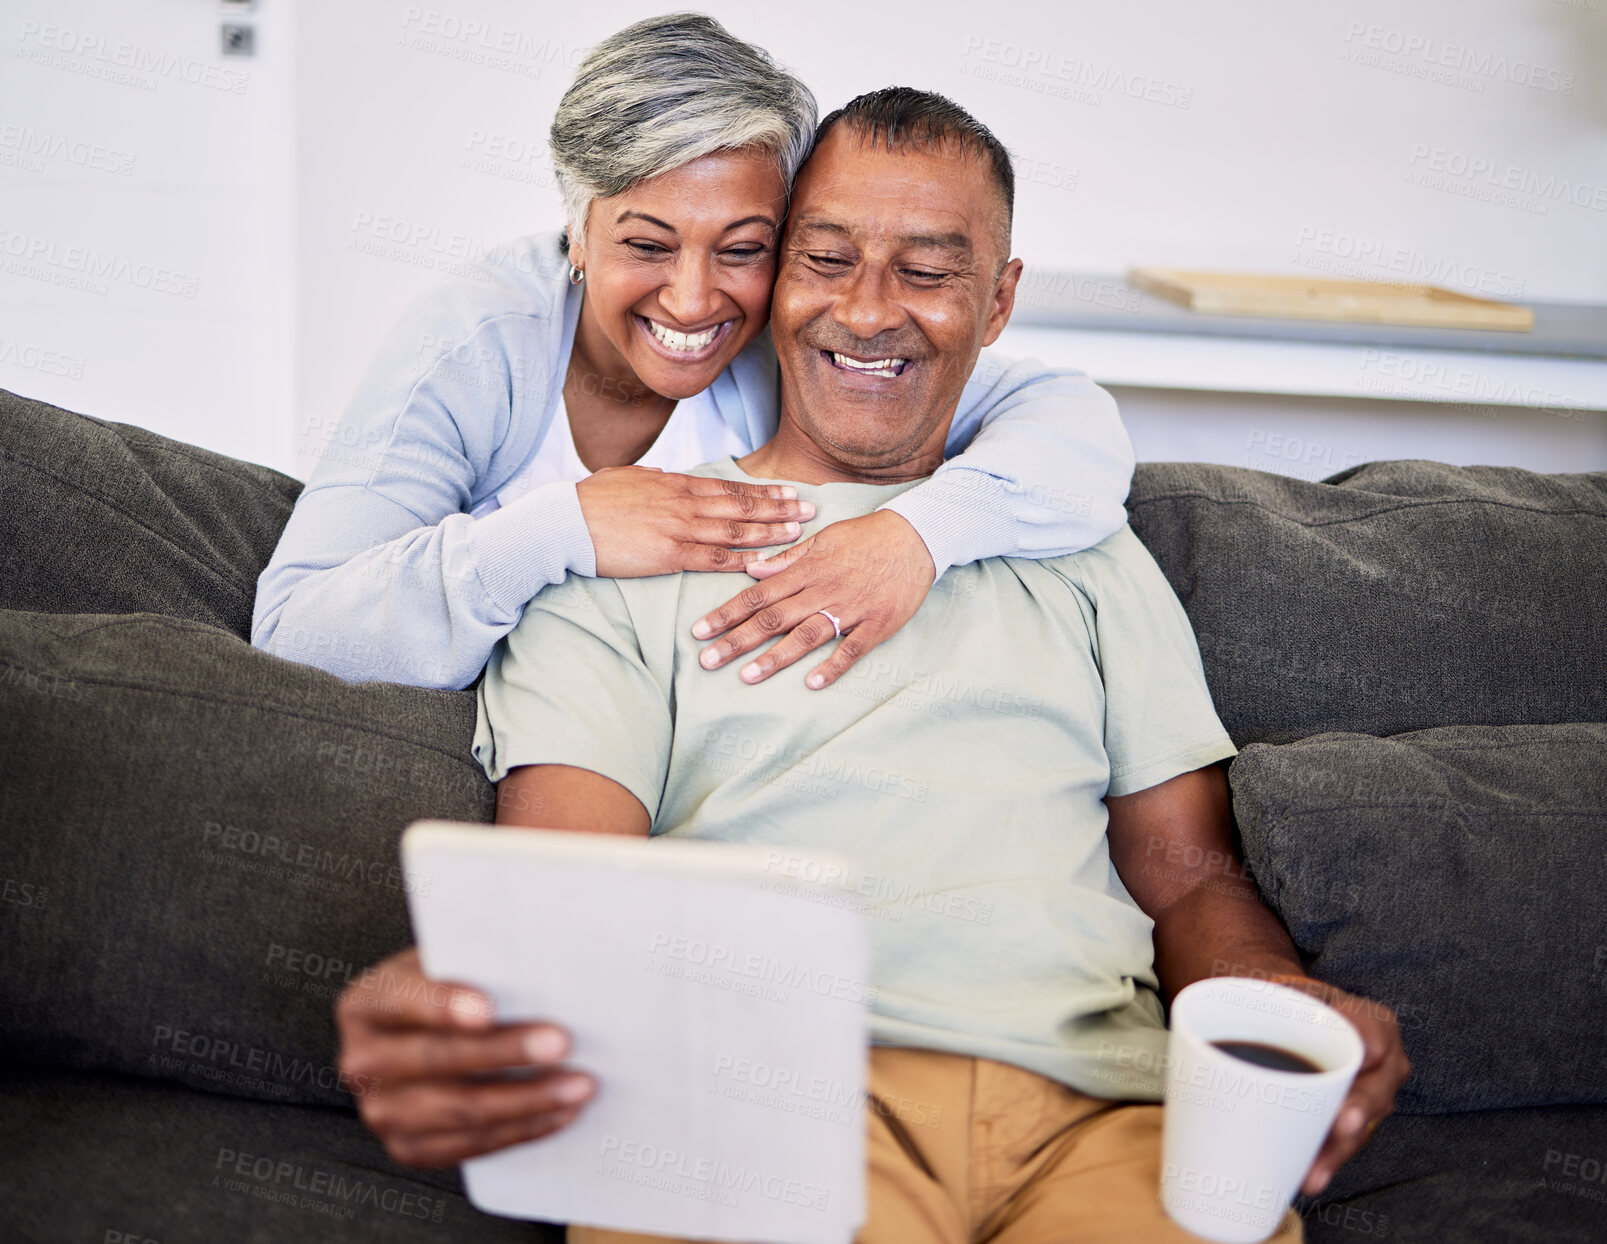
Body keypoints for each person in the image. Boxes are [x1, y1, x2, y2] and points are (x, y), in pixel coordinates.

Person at [336, 88, 1410, 1243]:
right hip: (759, 1108)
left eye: (926, 270)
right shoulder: (626, 552)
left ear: (996, 301)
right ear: (773, 279)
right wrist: (460, 996)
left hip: (1112, 1115)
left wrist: (1272, 994)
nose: (866, 310)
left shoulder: (1079, 541)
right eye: (826, 258)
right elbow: (566, 880)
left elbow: (1188, 874)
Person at [252, 13, 1133, 693]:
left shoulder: (798, 347)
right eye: (645, 245)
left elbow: (1069, 424)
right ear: (577, 229)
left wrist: (916, 538)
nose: (693, 299)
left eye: (744, 248)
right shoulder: (482, 342)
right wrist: (569, 525)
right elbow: (296, 630)